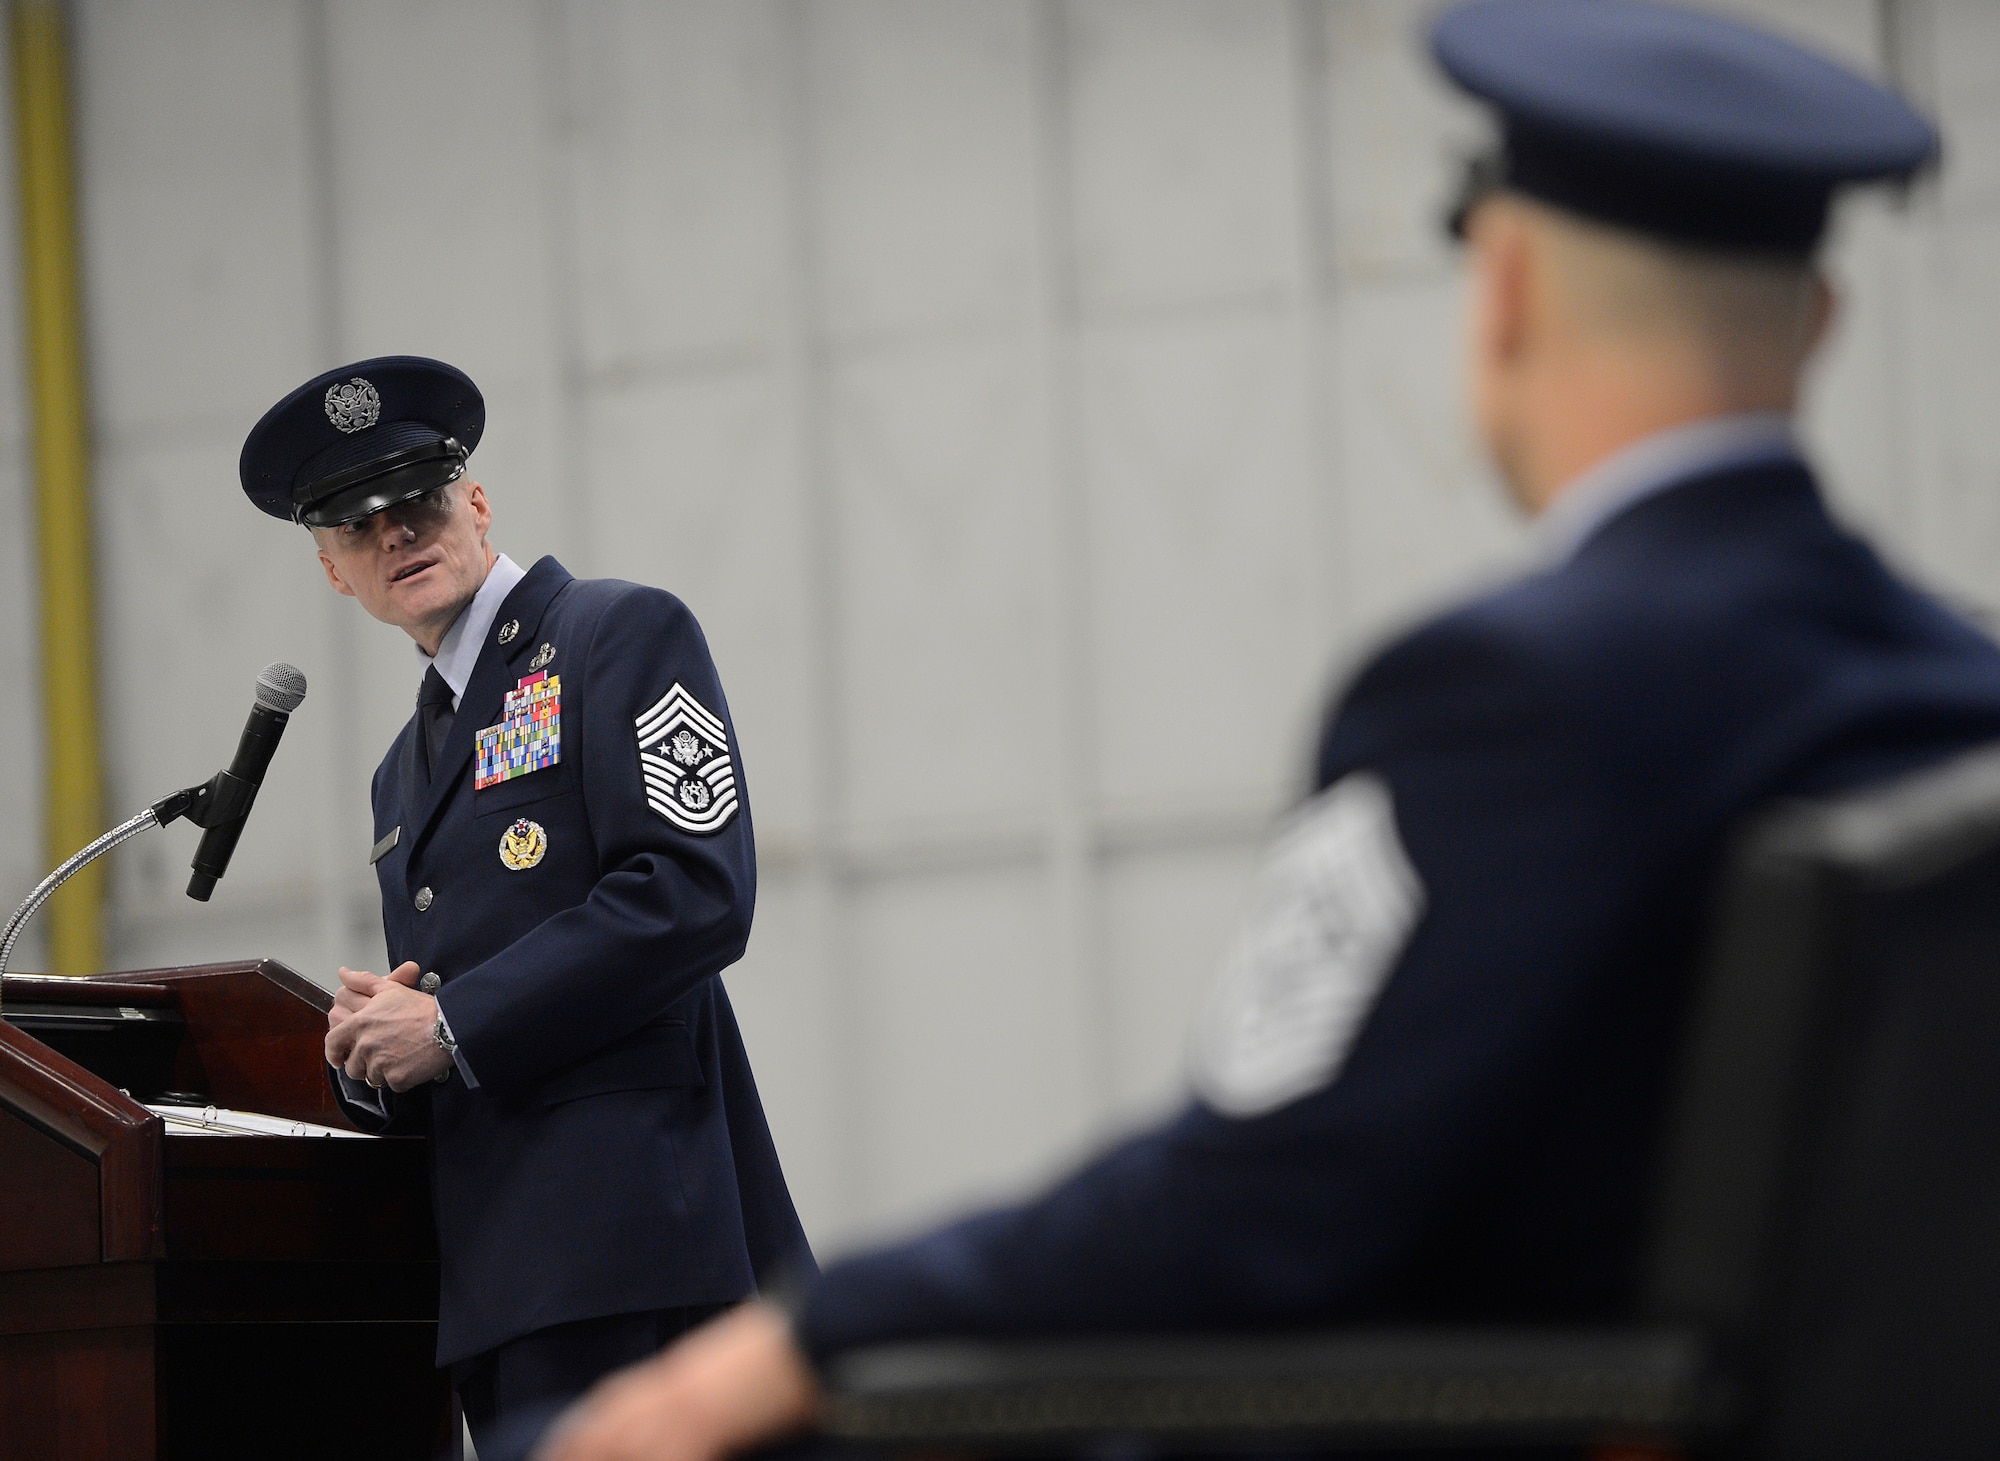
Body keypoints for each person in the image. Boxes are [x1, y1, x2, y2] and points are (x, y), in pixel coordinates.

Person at [541, 3, 2000, 1459]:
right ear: (1818, 321)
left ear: (1504, 288)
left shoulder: (1507, 695)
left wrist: (800, 1332)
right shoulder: (1963, 694)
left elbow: (1243, 1212)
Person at [236, 356, 814, 1454]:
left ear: (478, 502)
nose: (397, 532)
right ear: (331, 571)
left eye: (419, 498)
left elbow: (694, 892)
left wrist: (449, 1028)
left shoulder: (616, 634)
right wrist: (370, 1055)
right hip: (496, 1281)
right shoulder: (402, 770)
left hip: (633, 1249)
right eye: (359, 526)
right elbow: (447, 1010)